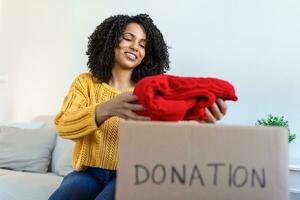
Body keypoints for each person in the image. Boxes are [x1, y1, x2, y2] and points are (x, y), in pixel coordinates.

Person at [49, 14, 227, 200]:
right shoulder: (85, 83)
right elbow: (63, 125)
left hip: (130, 174)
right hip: (88, 173)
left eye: (143, 44)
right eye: (128, 38)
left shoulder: (150, 92)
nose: (135, 47)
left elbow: (167, 134)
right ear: (110, 40)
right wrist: (108, 108)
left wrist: (198, 121)